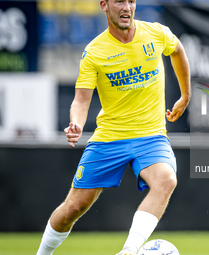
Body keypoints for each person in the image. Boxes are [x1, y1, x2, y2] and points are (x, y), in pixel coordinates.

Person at [36, 0, 190, 255]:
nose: (127, 7)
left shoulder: (156, 33)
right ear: (104, 5)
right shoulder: (94, 51)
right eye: (119, 1)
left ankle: (128, 251)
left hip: (151, 136)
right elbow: (81, 100)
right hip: (110, 138)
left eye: (131, 1)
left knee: (166, 179)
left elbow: (177, 50)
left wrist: (185, 95)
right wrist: (76, 123)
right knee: (73, 208)